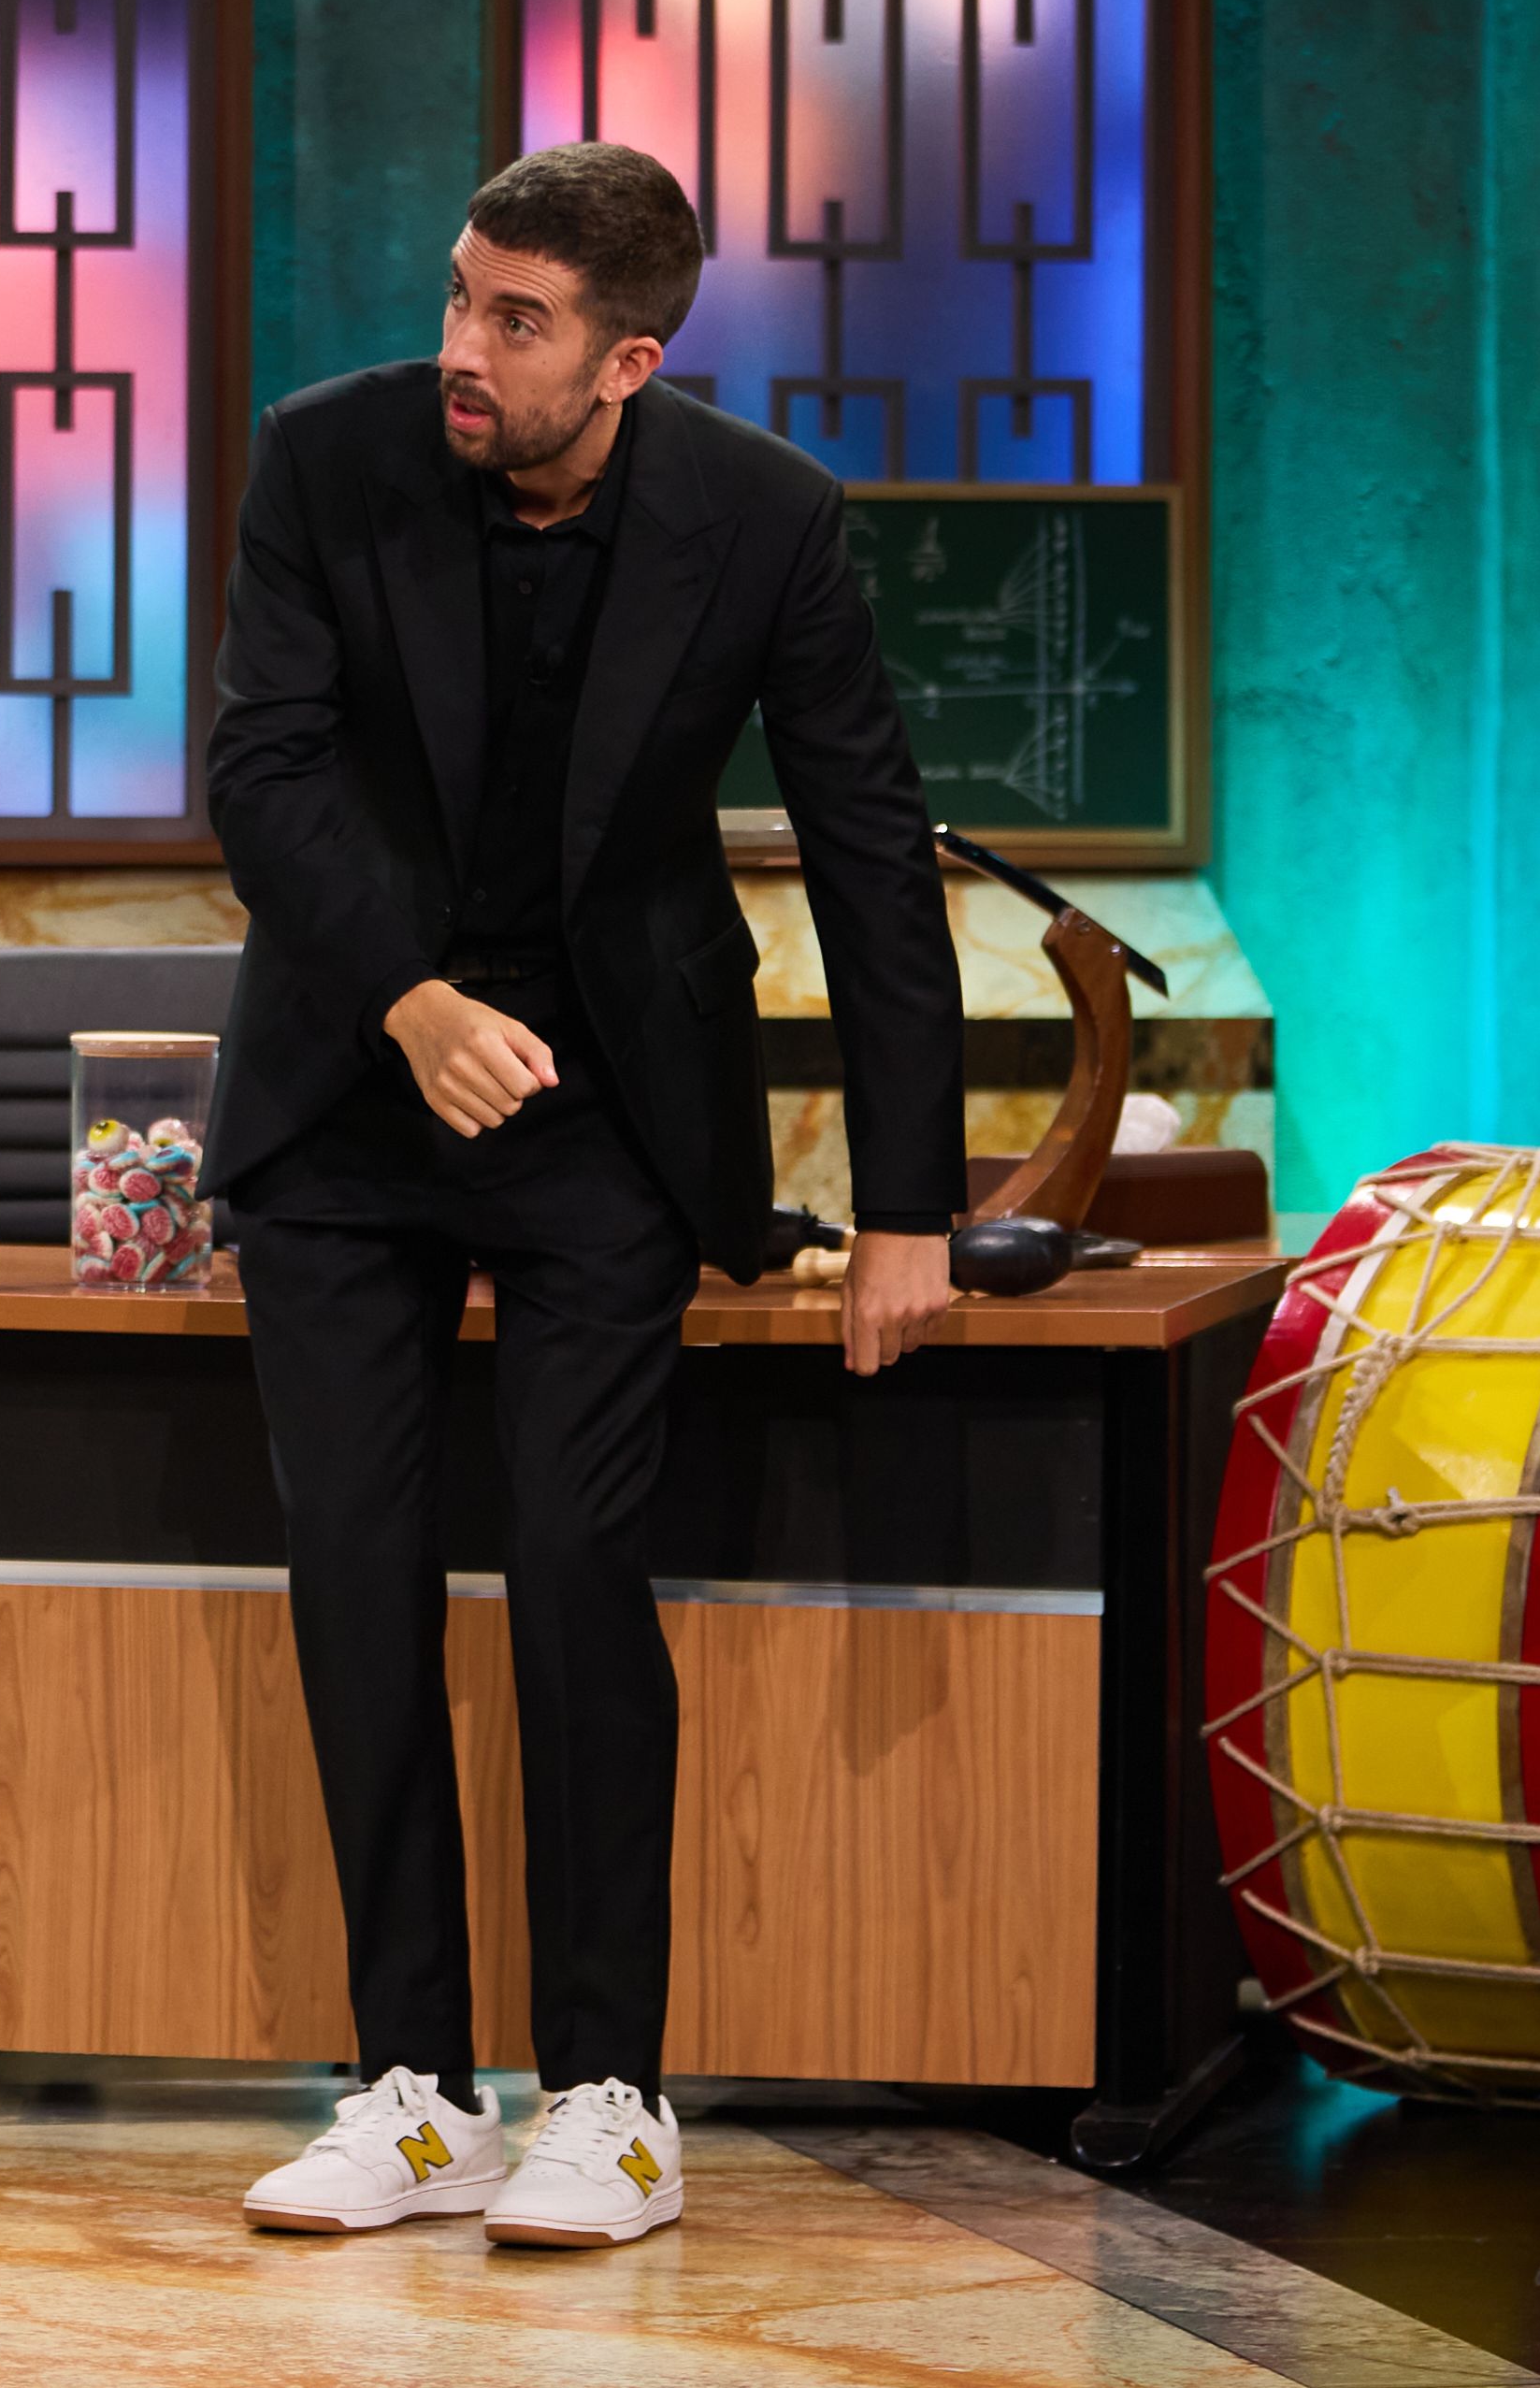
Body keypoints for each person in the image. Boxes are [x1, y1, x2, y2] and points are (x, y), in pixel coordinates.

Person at [207, 139, 961, 2251]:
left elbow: (869, 840)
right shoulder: (327, 458)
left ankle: (612, 2096)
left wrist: (907, 1199)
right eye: (461, 293)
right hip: (357, 1079)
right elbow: (262, 772)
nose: (464, 344)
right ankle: (411, 2088)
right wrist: (412, 998)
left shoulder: (765, 518)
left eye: (516, 319)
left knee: (571, 1565)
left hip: (612, 1106)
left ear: (629, 358)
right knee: (358, 1568)